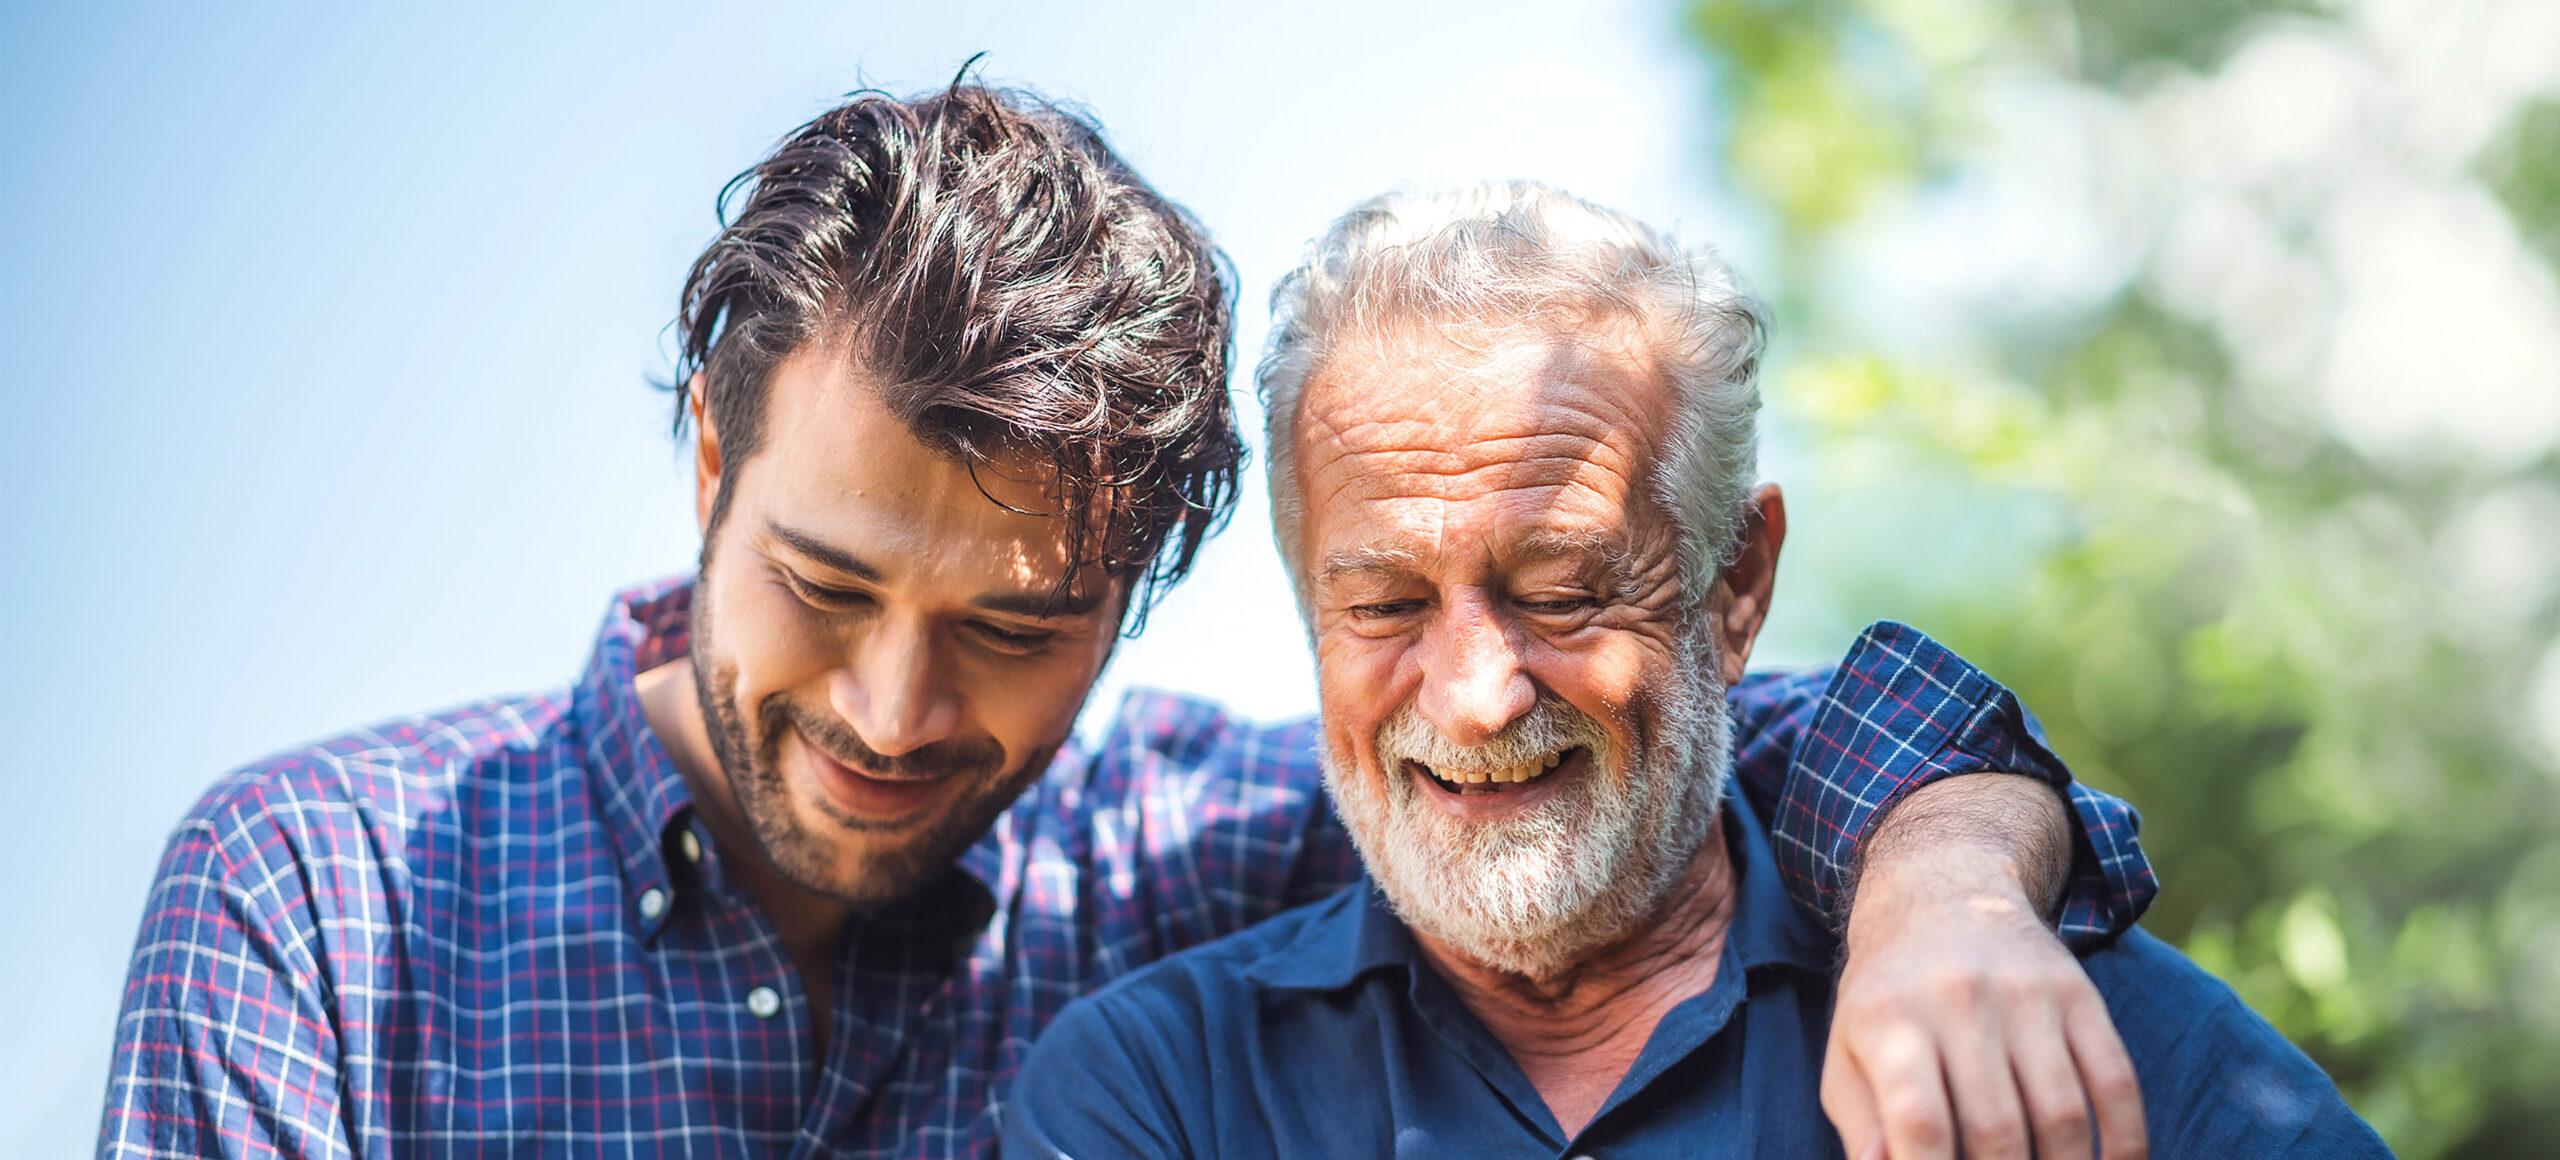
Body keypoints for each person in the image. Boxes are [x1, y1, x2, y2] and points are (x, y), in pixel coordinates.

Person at [100, 86, 2157, 1159]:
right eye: (825, 589)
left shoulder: (1187, 853)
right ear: (710, 476)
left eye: (1013, 626)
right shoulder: (311, 901)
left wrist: (1950, 893)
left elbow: (1688, 722)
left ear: (1143, 596)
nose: (896, 713)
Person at [1004, 181, 2391, 1159]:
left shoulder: (2010, 1007)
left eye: (1560, 589)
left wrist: (1952, 888)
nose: (1478, 694)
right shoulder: (1159, 1088)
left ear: (1737, 583)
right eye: (1383, 604)